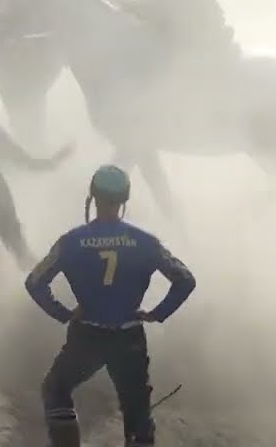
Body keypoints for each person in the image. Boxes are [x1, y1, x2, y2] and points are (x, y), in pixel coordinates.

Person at [24, 165, 196, 447]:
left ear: (93, 197)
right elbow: (185, 280)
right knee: (137, 416)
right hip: (129, 337)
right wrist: (157, 313)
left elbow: (34, 282)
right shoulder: (145, 242)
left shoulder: (70, 242)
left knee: (56, 389)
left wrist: (62, 313)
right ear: (124, 200)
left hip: (86, 336)